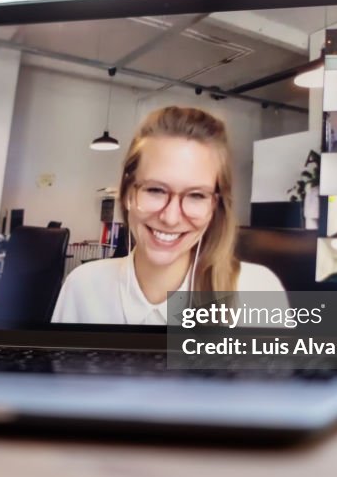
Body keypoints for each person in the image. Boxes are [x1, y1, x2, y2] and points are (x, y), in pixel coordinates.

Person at [52, 106, 285, 325]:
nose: (171, 218)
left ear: (214, 206)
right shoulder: (82, 287)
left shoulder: (257, 290)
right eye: (155, 190)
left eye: (196, 195)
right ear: (128, 194)